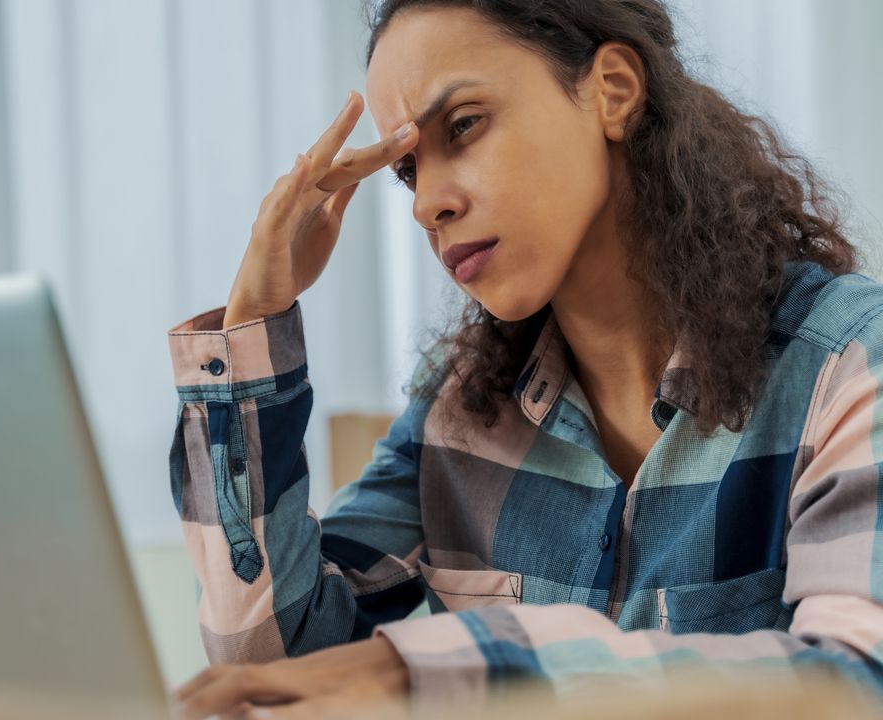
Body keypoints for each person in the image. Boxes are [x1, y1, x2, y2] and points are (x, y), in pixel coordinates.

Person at [165, 0, 883, 717]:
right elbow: (270, 665)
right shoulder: (460, 411)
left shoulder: (848, 363)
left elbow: (856, 684)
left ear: (612, 91)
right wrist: (254, 322)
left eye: (465, 126)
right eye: (409, 170)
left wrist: (465, 670)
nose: (427, 207)